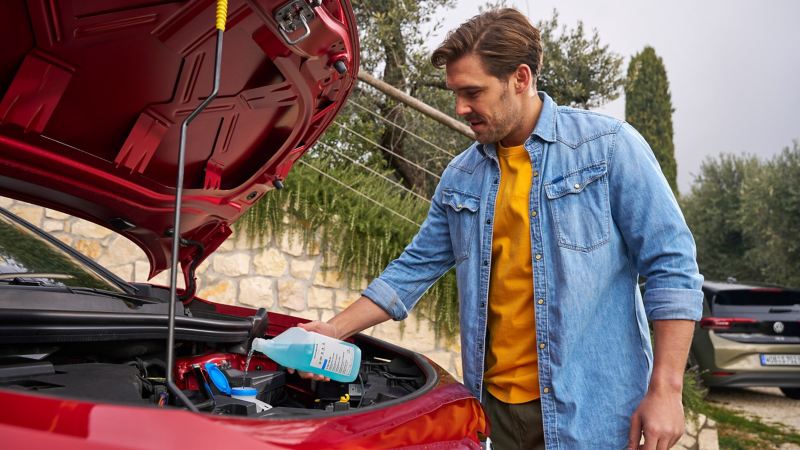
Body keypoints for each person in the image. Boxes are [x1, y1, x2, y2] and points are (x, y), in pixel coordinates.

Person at [293, 8, 703, 450]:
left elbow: (672, 267)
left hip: (597, 414)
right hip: (495, 414)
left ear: (521, 79)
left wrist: (666, 391)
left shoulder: (607, 148)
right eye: (454, 93)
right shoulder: (460, 176)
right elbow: (412, 270)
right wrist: (334, 330)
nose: (459, 108)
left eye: (473, 92)